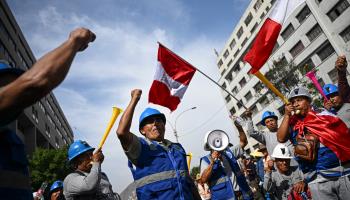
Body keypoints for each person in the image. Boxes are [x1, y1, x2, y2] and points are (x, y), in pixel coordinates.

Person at [0, 28, 95, 200]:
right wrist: (74, 41)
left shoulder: (10, 140)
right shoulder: (74, 180)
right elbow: (36, 83)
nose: (14, 91)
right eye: (5, 86)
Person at [116, 89, 200, 199]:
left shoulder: (177, 148)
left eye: (158, 120)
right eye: (150, 121)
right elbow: (121, 132)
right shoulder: (140, 147)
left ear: (164, 125)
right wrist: (134, 100)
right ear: (142, 130)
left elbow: (188, 181)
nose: (155, 123)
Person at [277, 86, 350, 199]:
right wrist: (286, 115)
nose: (296, 104)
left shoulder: (324, 115)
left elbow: (343, 138)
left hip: (341, 173)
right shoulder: (291, 124)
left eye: (299, 100)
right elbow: (281, 138)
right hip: (316, 179)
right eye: (293, 101)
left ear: (309, 101)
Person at [199, 124, 253, 200]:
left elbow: (243, 142)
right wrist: (212, 162)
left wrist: (239, 127)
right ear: (209, 146)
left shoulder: (229, 153)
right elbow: (203, 179)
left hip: (243, 195)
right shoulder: (205, 160)